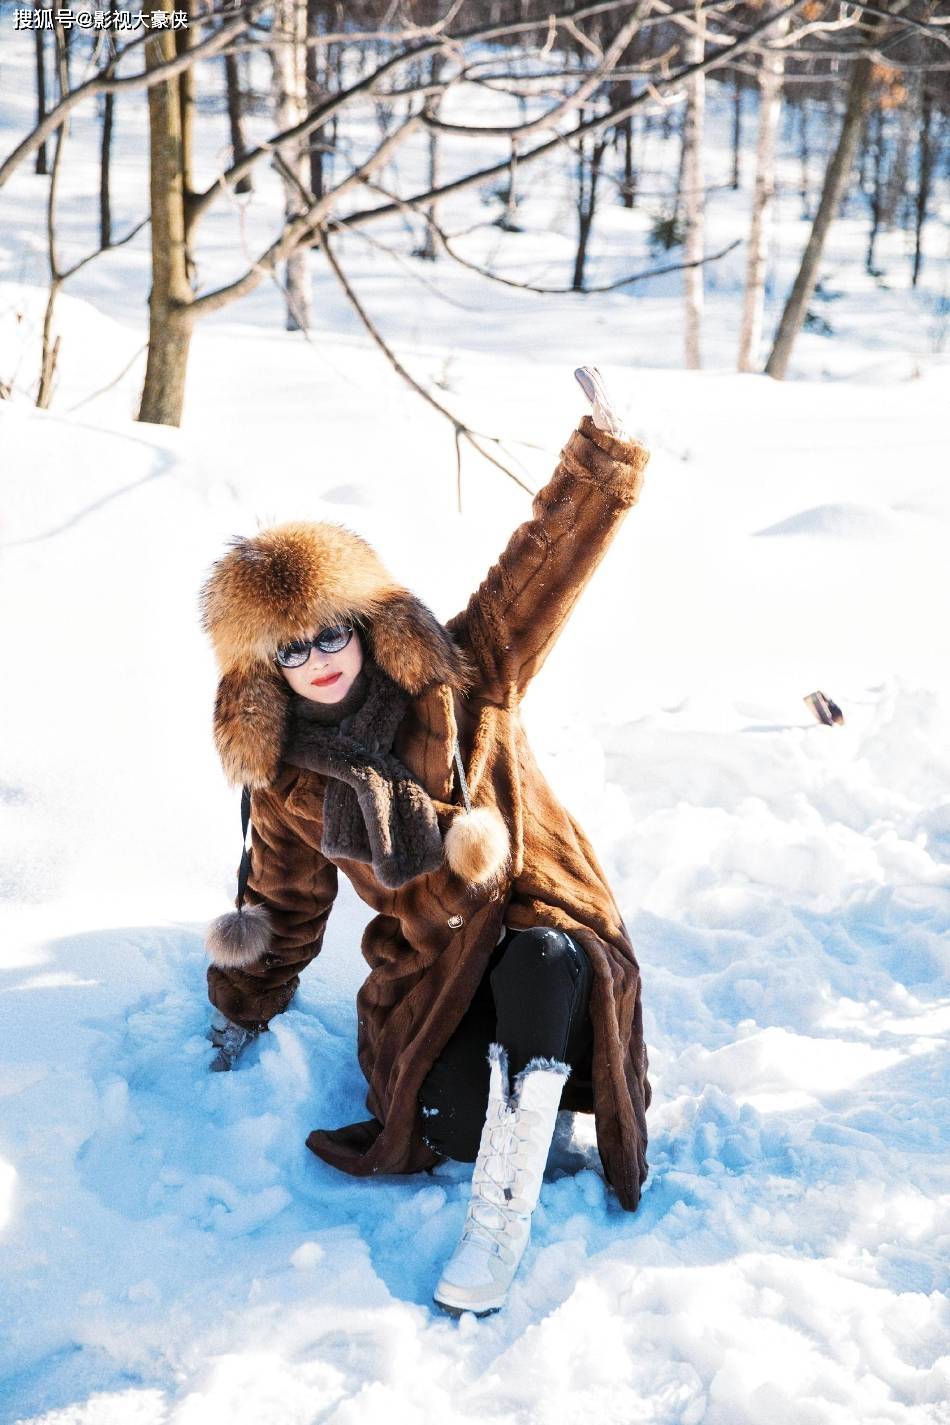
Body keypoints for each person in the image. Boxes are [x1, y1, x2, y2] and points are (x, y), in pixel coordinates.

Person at [200, 368, 651, 1316]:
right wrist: (241, 1007)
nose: (319, 661)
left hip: (548, 938)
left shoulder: (464, 669)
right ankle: (516, 1120)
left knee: (538, 956)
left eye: (331, 634)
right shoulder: (290, 782)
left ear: (362, 623)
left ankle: (501, 1214)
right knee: (443, 1117)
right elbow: (281, 905)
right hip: (432, 976)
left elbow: (541, 567)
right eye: (292, 648)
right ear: (265, 664)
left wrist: (602, 459)